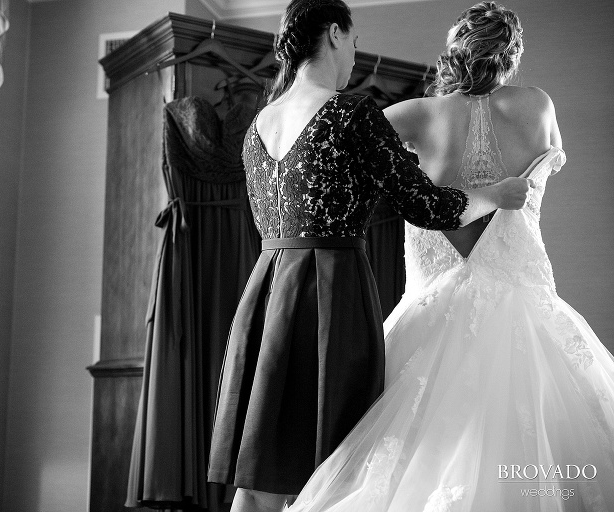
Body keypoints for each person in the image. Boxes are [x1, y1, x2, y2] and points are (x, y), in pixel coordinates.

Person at [206, 1, 535, 511]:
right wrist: (498, 193)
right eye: (354, 41)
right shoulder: (351, 113)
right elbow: (431, 207)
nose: (354, 54)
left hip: (266, 296)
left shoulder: (258, 126)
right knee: (335, 470)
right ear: (335, 34)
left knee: (260, 475)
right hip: (329, 296)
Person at [285, 3, 614, 511]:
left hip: (425, 318)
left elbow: (339, 139)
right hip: (527, 312)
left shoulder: (418, 115)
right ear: (511, 54)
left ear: (455, 50)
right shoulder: (539, 106)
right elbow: (556, 157)